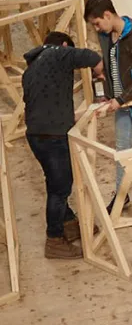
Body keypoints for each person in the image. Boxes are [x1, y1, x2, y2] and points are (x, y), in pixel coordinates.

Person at [21, 31, 102, 259]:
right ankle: (54, 240)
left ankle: (68, 223)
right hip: (52, 136)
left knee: (56, 182)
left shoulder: (31, 70)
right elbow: (89, 56)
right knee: (60, 188)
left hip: (36, 135)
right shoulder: (57, 53)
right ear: (64, 45)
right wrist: (102, 72)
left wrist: (69, 117)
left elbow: (42, 102)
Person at [83, 0, 132, 214]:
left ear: (107, 15)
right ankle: (121, 194)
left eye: (97, 23)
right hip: (121, 103)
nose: (97, 28)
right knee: (122, 152)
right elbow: (110, 70)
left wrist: (120, 99)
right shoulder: (109, 37)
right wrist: (109, 95)